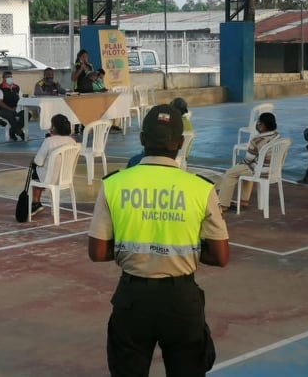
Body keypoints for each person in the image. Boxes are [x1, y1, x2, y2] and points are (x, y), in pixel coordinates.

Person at [88, 104, 229, 377]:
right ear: (180, 142)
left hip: (133, 299)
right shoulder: (201, 188)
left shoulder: (114, 184)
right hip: (181, 300)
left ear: (142, 139)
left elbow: (97, 251)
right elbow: (221, 257)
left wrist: (135, 249)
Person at [216, 112, 279, 212]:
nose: (258, 124)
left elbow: (248, 159)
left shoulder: (257, 139)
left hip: (261, 171)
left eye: (259, 123)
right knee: (246, 169)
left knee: (230, 173)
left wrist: (239, 164)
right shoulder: (277, 136)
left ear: (263, 125)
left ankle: (223, 204)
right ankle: (243, 201)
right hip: (273, 170)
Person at [30, 114, 80, 215]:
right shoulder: (72, 141)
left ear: (54, 128)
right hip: (66, 178)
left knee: (35, 168)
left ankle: (36, 202)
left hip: (49, 179)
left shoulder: (49, 141)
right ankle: (37, 203)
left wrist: (33, 161)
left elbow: (38, 161)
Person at [127, 97, 194, 168]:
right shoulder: (187, 125)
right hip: (180, 161)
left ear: (142, 139)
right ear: (181, 142)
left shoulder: (130, 166)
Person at [0, 71, 26, 141]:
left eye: (11, 77)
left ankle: (12, 131)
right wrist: (11, 109)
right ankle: (21, 134)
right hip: (3, 110)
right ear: (3, 78)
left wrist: (17, 108)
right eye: (7, 77)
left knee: (27, 114)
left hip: (16, 109)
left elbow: (21, 98)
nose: (9, 78)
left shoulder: (17, 87)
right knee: (10, 115)